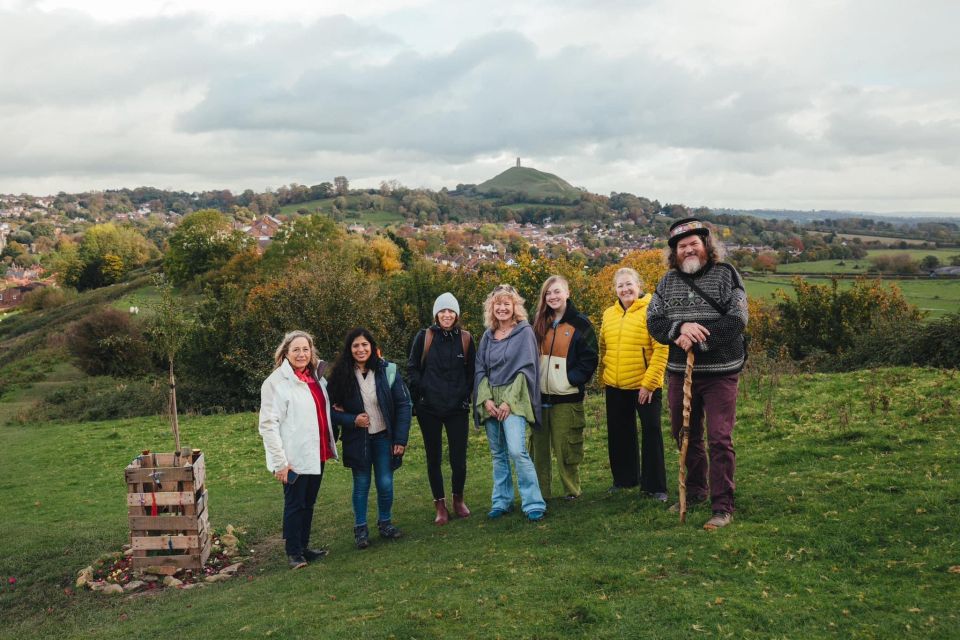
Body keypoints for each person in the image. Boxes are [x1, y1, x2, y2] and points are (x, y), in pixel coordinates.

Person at [647, 217, 748, 530]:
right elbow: (654, 321)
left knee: (719, 438)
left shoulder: (726, 275)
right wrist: (679, 329)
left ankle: (722, 505)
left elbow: (737, 319)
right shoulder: (666, 282)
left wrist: (697, 338)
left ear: (706, 245)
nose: (688, 250)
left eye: (694, 243)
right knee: (685, 434)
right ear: (674, 252)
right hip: (680, 373)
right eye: (682, 246)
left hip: (720, 373)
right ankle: (695, 491)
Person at [258, 330, 338, 569]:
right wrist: (280, 463)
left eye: (306, 349)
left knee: (309, 502)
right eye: (296, 350)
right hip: (292, 456)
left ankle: (304, 546)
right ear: (286, 353)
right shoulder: (275, 383)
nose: (301, 354)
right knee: (294, 504)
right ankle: (293, 553)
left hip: (316, 451)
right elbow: (268, 425)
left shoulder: (315, 378)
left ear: (311, 352)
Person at [327, 328, 412, 549]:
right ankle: (361, 529)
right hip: (358, 440)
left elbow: (403, 405)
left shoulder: (387, 371)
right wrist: (352, 419)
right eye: (355, 345)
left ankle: (385, 523)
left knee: (385, 482)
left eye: (364, 344)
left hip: (384, 437)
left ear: (372, 347)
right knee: (361, 484)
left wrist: (400, 440)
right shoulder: (339, 376)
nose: (360, 349)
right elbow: (331, 412)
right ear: (349, 349)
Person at [473, 284, 547, 521]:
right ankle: (501, 501)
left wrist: (507, 403)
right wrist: (485, 399)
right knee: (498, 453)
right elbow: (480, 369)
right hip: (490, 399)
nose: (502, 308)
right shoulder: (487, 336)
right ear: (491, 308)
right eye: (498, 304)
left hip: (514, 399)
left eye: (507, 304)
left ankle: (533, 502)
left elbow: (527, 370)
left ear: (515, 306)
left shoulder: (524, 332)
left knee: (517, 450)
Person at [598, 267, 670, 500]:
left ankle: (655, 486)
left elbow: (662, 348)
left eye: (629, 284)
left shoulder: (651, 311)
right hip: (616, 385)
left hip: (644, 386)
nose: (625, 289)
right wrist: (603, 376)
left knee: (651, 431)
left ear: (639, 285)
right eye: (620, 286)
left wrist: (649, 383)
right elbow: (603, 347)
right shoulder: (609, 313)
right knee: (619, 433)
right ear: (615, 290)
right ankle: (625, 479)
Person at [406, 292, 476, 525]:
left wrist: (464, 395)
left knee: (459, 458)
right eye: (442, 311)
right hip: (430, 409)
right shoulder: (424, 337)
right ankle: (440, 505)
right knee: (433, 457)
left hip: (457, 408)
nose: (447, 315)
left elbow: (472, 373)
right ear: (436, 314)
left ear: (457, 314)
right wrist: (423, 389)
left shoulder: (465, 339)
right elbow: (412, 368)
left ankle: (458, 500)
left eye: (451, 311)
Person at [529, 275, 598, 501]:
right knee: (538, 450)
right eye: (548, 293)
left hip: (566, 399)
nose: (553, 296)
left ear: (567, 293)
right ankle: (541, 494)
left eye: (557, 291)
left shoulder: (581, 323)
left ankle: (571, 492)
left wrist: (569, 379)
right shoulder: (539, 322)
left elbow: (590, 359)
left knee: (567, 448)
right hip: (540, 399)